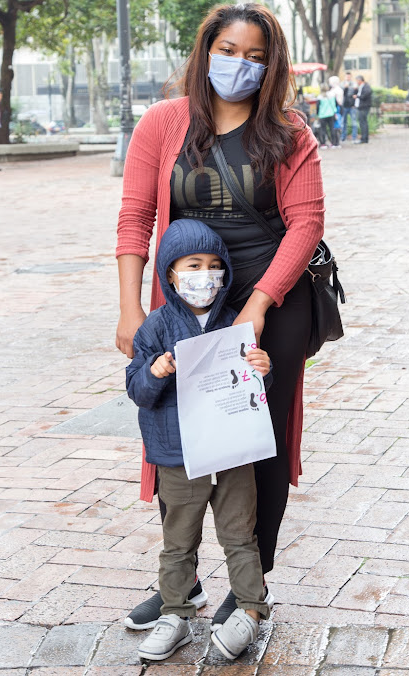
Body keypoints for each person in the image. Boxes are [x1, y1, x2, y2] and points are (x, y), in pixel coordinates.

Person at [116, 3, 324, 633]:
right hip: (185, 298)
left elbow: (306, 224)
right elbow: (134, 219)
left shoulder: (289, 132)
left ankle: (249, 580)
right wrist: (131, 308)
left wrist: (258, 306)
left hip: (270, 302)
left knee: (255, 442)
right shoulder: (163, 123)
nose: (241, 65)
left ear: (273, 66)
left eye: (257, 57)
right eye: (230, 50)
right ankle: (180, 579)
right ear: (206, 50)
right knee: (174, 435)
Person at [127, 218, 271, 661]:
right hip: (179, 456)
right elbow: (135, 388)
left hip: (230, 453)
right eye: (193, 265)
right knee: (178, 540)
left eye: (214, 266)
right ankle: (176, 613)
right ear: (171, 272)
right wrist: (154, 373)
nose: (205, 276)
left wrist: (263, 368)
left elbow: (249, 389)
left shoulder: (235, 324)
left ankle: (249, 608)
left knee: (240, 535)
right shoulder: (156, 327)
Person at [316, 82, 339, 148]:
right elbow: (336, 104)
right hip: (331, 114)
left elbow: (318, 107)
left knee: (323, 129)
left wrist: (317, 114)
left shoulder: (320, 97)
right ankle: (333, 143)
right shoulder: (332, 95)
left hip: (322, 115)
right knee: (332, 128)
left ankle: (323, 144)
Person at [354, 75, 372, 144]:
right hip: (361, 106)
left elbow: (366, 94)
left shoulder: (366, 86)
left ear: (360, 80)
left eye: (357, 80)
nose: (357, 82)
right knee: (362, 122)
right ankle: (364, 138)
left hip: (364, 107)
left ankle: (364, 138)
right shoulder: (362, 87)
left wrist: (358, 96)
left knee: (363, 122)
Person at [341, 71, 358, 142]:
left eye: (349, 76)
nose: (348, 77)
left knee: (354, 122)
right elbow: (341, 94)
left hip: (352, 106)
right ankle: (343, 137)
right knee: (343, 122)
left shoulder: (354, 84)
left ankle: (354, 137)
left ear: (351, 77)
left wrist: (355, 89)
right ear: (345, 77)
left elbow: (356, 94)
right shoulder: (342, 84)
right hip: (344, 106)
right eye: (347, 76)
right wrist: (345, 88)